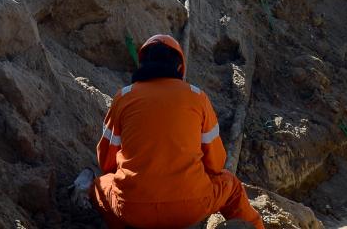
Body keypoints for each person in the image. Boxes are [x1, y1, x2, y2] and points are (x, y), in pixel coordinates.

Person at [77, 34, 264, 229]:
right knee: (231, 186)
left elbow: (106, 161)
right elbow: (216, 164)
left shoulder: (123, 97)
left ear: (143, 64)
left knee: (100, 185)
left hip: (134, 209)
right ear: (179, 67)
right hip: (190, 208)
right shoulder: (197, 97)